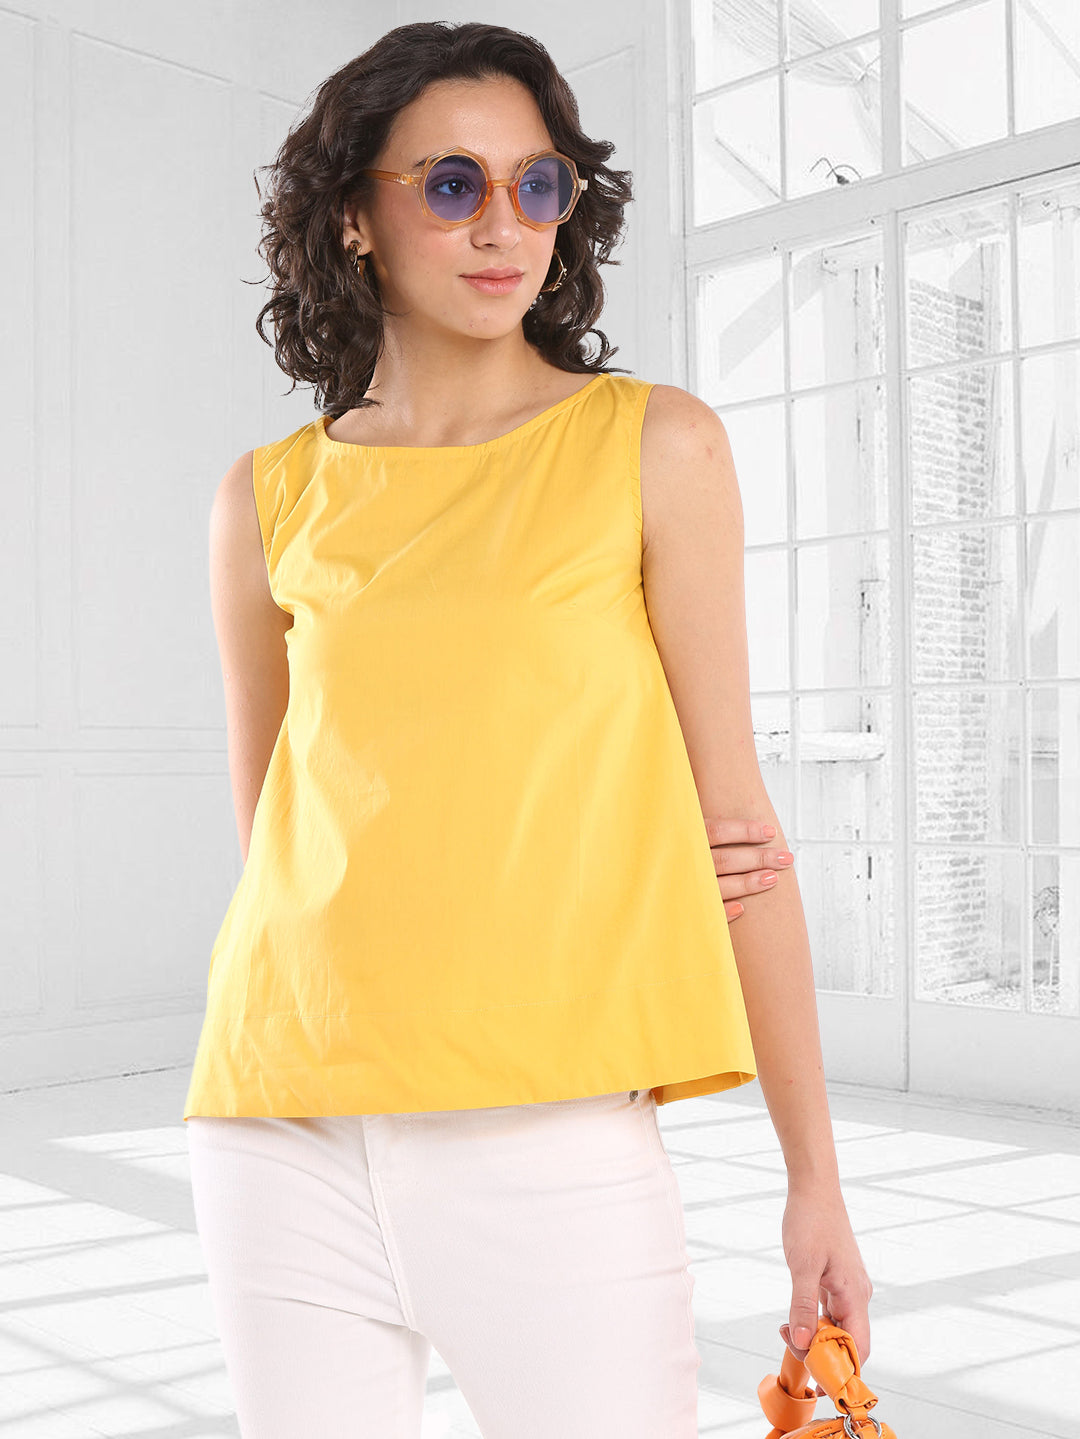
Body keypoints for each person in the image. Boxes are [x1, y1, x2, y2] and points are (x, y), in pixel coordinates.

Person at [183, 19, 873, 1439]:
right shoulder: (266, 497)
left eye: (536, 184)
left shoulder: (653, 446)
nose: (503, 225)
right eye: (451, 185)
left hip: (551, 1132)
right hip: (279, 1122)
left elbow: (738, 837)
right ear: (354, 217)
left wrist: (814, 1181)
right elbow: (273, 842)